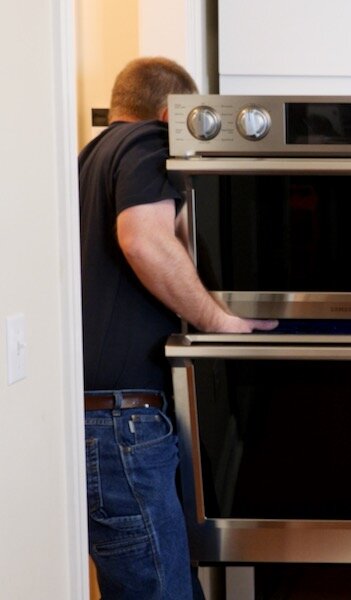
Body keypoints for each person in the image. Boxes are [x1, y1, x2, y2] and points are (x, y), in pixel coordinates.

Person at [79, 57, 277, 599]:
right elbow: (143, 239)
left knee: (168, 585)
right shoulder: (147, 141)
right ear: (172, 115)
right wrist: (218, 320)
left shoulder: (87, 160)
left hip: (107, 424)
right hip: (123, 428)